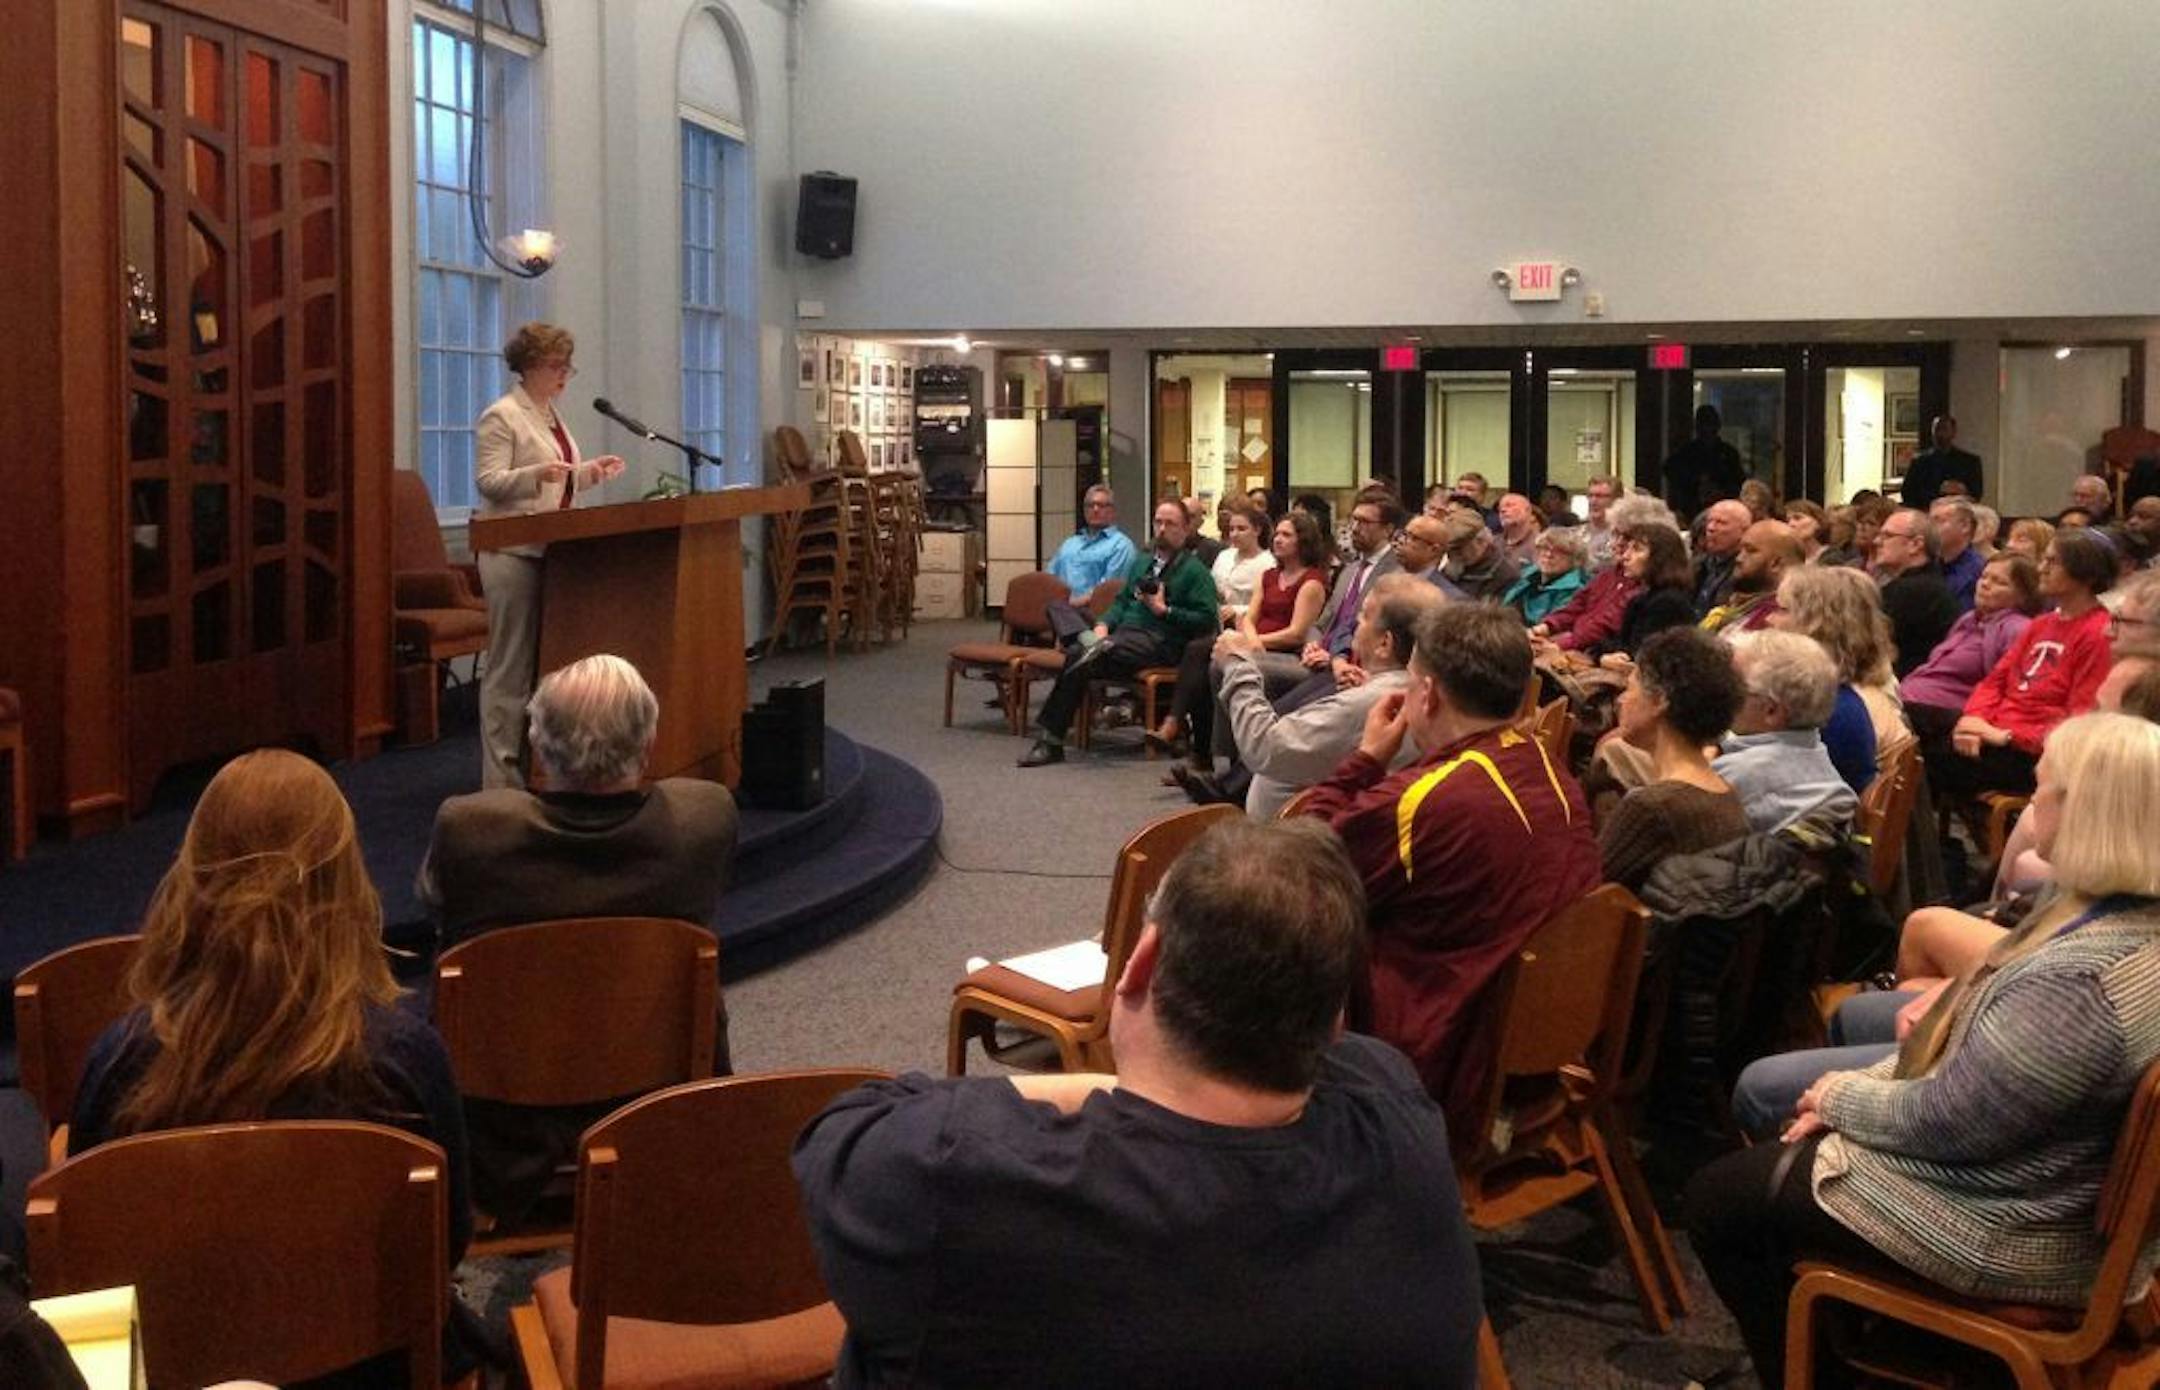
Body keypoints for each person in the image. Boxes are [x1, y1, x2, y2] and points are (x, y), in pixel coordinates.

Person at [793, 819, 1486, 1389]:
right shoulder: (1395, 1107)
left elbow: (840, 1131)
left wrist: (1093, 1085)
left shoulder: (949, 1177)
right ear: (1334, 1020)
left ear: (1142, 961)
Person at [1686, 712, 2160, 1389]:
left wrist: (1840, 1097)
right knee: (1776, 1153)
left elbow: (1954, 1122)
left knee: (1719, 1199)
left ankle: (1817, 1374)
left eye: (2044, 789)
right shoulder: (2118, 917)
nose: (2031, 804)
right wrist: (1859, 1094)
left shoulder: (2082, 982)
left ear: (2091, 815)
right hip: (2037, 1189)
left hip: (2018, 1231)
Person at [70, 750, 474, 1384]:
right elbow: (449, 1242)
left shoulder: (121, 1062)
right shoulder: (405, 1060)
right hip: (371, 1371)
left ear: (192, 876)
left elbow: (85, 1270)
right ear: (345, 880)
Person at [415, 653, 739, 1223]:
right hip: (654, 1105)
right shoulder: (703, 821)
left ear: (538, 745)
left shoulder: (472, 832)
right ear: (649, 743)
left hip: (500, 1129)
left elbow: (432, 901)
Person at [1299, 603, 1600, 1140]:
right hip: (1535, 1047)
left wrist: (1365, 759)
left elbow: (1295, 863)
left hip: (1438, 1061)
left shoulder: (1426, 802)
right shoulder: (1552, 769)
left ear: (1429, 694)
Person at [473, 322, 627, 789]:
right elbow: (489, 482)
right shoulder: (502, 415)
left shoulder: (550, 415)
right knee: (510, 672)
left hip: (551, 550)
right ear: (530, 366)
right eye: (557, 365)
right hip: (512, 553)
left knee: (543, 667)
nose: (564, 374)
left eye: (567, 366)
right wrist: (536, 473)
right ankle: (501, 783)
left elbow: (557, 481)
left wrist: (589, 473)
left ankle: (537, 772)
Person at [1211, 575, 1442, 817]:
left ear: (1384, 644)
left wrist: (1238, 664)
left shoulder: (1374, 703)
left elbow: (1264, 746)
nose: (1356, 621)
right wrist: (1370, 684)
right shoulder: (1424, 691)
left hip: (1290, 832)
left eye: (1365, 615)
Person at [1020, 500, 1218, 767]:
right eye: (1158, 522)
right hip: (1121, 637)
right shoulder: (1143, 562)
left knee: (1078, 654)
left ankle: (1050, 741)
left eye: (1170, 523)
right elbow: (1122, 602)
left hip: (1157, 642)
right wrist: (1103, 625)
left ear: (1185, 529)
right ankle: (1093, 642)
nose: (1161, 529)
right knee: (1058, 607)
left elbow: (1206, 620)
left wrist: (1165, 610)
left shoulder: (1196, 572)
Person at [1929, 527, 2115, 799]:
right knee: (1914, 744)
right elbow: (1995, 682)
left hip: (2036, 753)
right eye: (2044, 560)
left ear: (2086, 573)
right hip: (1994, 734)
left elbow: (2080, 718)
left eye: (2053, 562)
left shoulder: (2098, 632)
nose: (2041, 569)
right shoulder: (2041, 624)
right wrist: (1973, 720)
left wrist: (2005, 736)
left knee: (1919, 760)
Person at [1149, 512, 1322, 762]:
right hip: (1254, 643)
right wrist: (1249, 640)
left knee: (1215, 659)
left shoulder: (1312, 581)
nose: (1278, 539)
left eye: (1287, 535)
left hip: (1285, 652)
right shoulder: (1269, 575)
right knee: (1204, 656)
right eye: (1277, 534)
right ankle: (1201, 749)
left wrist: (1254, 643)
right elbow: (1249, 618)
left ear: (1303, 541)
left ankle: (1204, 747)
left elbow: (1296, 633)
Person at [1599, 629, 1750, 891]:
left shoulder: (1652, 809)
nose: (1621, 700)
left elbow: (1586, 892)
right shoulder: (1726, 794)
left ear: (1659, 700)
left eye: (1630, 688)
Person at [1711, 631, 1860, 838]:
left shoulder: (1734, 776)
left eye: (1733, 686)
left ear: (1771, 711)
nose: (1721, 692)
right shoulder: (1815, 749)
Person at [1898, 553, 2042, 743]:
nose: (1985, 584)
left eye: (1999, 582)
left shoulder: (2018, 628)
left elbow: (2007, 688)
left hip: (1946, 716)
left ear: (2023, 596)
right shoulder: (1968, 620)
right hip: (1911, 701)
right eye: (1984, 576)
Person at [1528, 495, 1678, 659]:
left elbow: (1606, 625)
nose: (1616, 543)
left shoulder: (1646, 589)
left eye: (1627, 539)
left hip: (1595, 655)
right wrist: (1545, 627)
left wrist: (1561, 644)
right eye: (1614, 534)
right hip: (1580, 649)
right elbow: (1578, 604)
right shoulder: (1610, 574)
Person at [1872, 507, 1960, 678]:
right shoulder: (1926, 584)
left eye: (1887, 536)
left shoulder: (1914, 592)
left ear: (1916, 545)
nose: (1876, 541)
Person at [1598, 521, 1696, 667]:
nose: (1625, 556)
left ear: (1660, 557)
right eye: (1627, 548)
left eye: (1637, 549)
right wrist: (1603, 656)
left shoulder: (1669, 603)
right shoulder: (1642, 598)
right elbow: (1616, 643)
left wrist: (1605, 658)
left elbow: (1643, 656)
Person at [1699, 518, 1798, 636]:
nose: (1739, 558)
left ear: (1776, 563)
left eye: (1750, 551)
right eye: (1741, 550)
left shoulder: (1776, 619)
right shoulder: (1737, 605)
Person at [1046, 484, 1139, 604]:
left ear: (1113, 511)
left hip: (1094, 610)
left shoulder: (1121, 546)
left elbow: (1107, 592)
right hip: (1058, 608)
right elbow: (1049, 579)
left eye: (1101, 505)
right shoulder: (1069, 544)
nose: (1095, 509)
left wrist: (1072, 604)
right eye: (1090, 505)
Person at [1662, 404, 1747, 520]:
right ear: (1697, 427)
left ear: (1717, 426)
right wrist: (1695, 481)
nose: (1707, 429)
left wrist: (1720, 491)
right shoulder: (1686, 452)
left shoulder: (1728, 453)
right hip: (1692, 509)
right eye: (1703, 424)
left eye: (1710, 424)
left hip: (1722, 508)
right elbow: (1669, 470)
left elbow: (1739, 482)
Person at [1502, 526, 1588, 624]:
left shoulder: (1575, 592)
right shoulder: (1527, 577)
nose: (1548, 555)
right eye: (1545, 548)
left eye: (1559, 551)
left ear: (1575, 559)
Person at [1898, 413, 1985, 505]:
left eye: (1944, 429)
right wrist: (1938, 491)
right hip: (1927, 510)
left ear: (1953, 432)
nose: (1939, 434)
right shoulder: (1919, 462)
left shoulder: (1969, 462)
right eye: (1936, 429)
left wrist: (1962, 490)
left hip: (1959, 511)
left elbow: (1976, 494)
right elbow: (1907, 493)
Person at [1437, 507, 1518, 601]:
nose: (1451, 554)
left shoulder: (1505, 577)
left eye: (1458, 549)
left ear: (1481, 542)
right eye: (1448, 550)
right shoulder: (1453, 566)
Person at [1691, 500, 1752, 617]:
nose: (1711, 528)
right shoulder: (1696, 565)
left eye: (1721, 523)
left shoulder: (1750, 572)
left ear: (1744, 530)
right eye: (1709, 521)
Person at [1389, 511, 1468, 598]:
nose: (1401, 541)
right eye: (1404, 534)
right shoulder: (1386, 577)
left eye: (1413, 538)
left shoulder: (1447, 597)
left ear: (1434, 550)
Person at [1928, 496, 1985, 610]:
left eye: (1939, 521)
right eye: (1929, 522)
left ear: (1965, 526)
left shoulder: (1977, 571)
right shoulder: (1930, 564)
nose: (1930, 528)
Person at [1580, 473, 1620, 570]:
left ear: (1617, 500)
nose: (1593, 501)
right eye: (1590, 496)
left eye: (1600, 496)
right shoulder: (1575, 535)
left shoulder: (1623, 537)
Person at [1495, 491, 1542, 570]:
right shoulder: (1492, 543)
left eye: (1509, 505)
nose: (1503, 510)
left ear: (1527, 511)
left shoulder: (1540, 543)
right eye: (1500, 509)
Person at [1783, 500, 1832, 564]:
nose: (1790, 524)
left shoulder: (1831, 557)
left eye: (1798, 518)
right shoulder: (1787, 558)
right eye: (1788, 520)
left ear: (1818, 522)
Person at [1180, 495, 1223, 567]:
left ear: (1201, 522)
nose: (1186, 520)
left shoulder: (1214, 550)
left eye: (1191, 516)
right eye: (1182, 515)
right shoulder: (1165, 546)